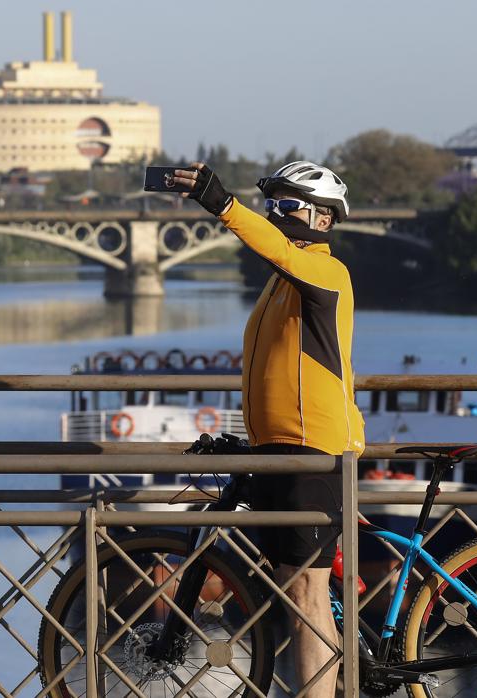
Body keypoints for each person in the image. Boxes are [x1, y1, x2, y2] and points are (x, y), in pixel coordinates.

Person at [172, 161, 365, 698]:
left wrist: (223, 205)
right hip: (279, 451)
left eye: (286, 206)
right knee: (299, 591)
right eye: (270, 207)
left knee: (306, 593)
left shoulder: (327, 272)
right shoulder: (281, 285)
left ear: (321, 220)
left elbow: (276, 248)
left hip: (314, 452)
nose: (275, 217)